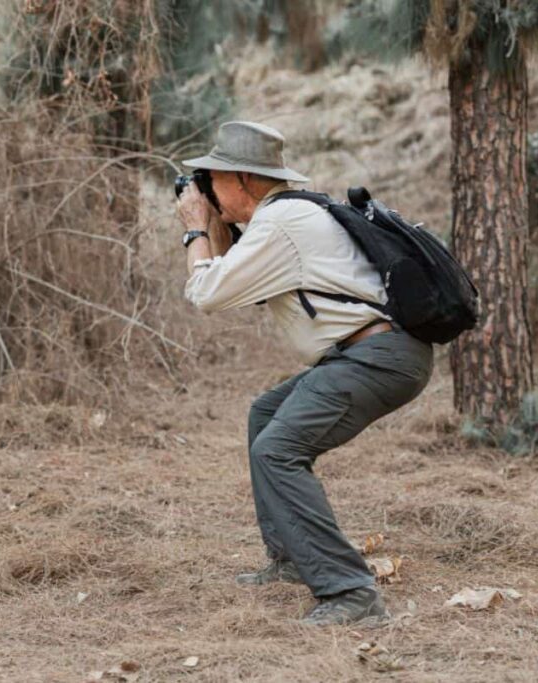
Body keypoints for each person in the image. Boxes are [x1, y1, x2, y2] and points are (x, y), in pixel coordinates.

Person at [177, 121, 433, 626]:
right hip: (368, 354)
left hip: (378, 357)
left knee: (279, 449)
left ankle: (351, 592)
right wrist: (215, 229)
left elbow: (207, 293)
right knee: (264, 416)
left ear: (244, 180)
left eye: (211, 179)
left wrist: (193, 228)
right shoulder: (289, 215)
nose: (206, 190)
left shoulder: (284, 223)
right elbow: (235, 283)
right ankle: (294, 559)